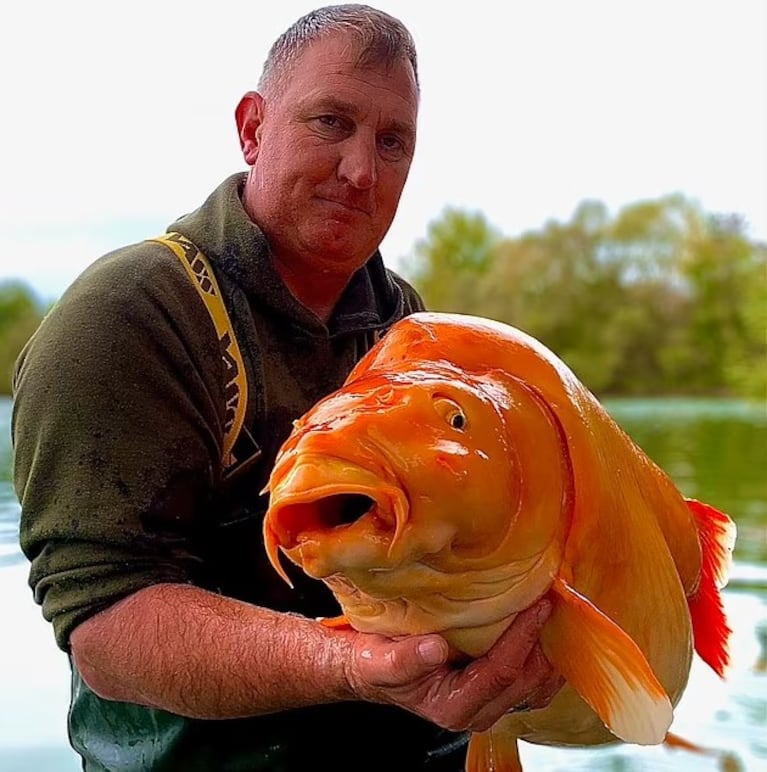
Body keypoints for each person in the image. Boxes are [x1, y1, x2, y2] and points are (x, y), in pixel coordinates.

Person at [11, 5, 562, 770]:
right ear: (251, 128)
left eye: (392, 142)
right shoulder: (127, 316)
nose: (361, 170)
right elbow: (106, 626)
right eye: (330, 122)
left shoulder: (411, 325)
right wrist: (348, 664)